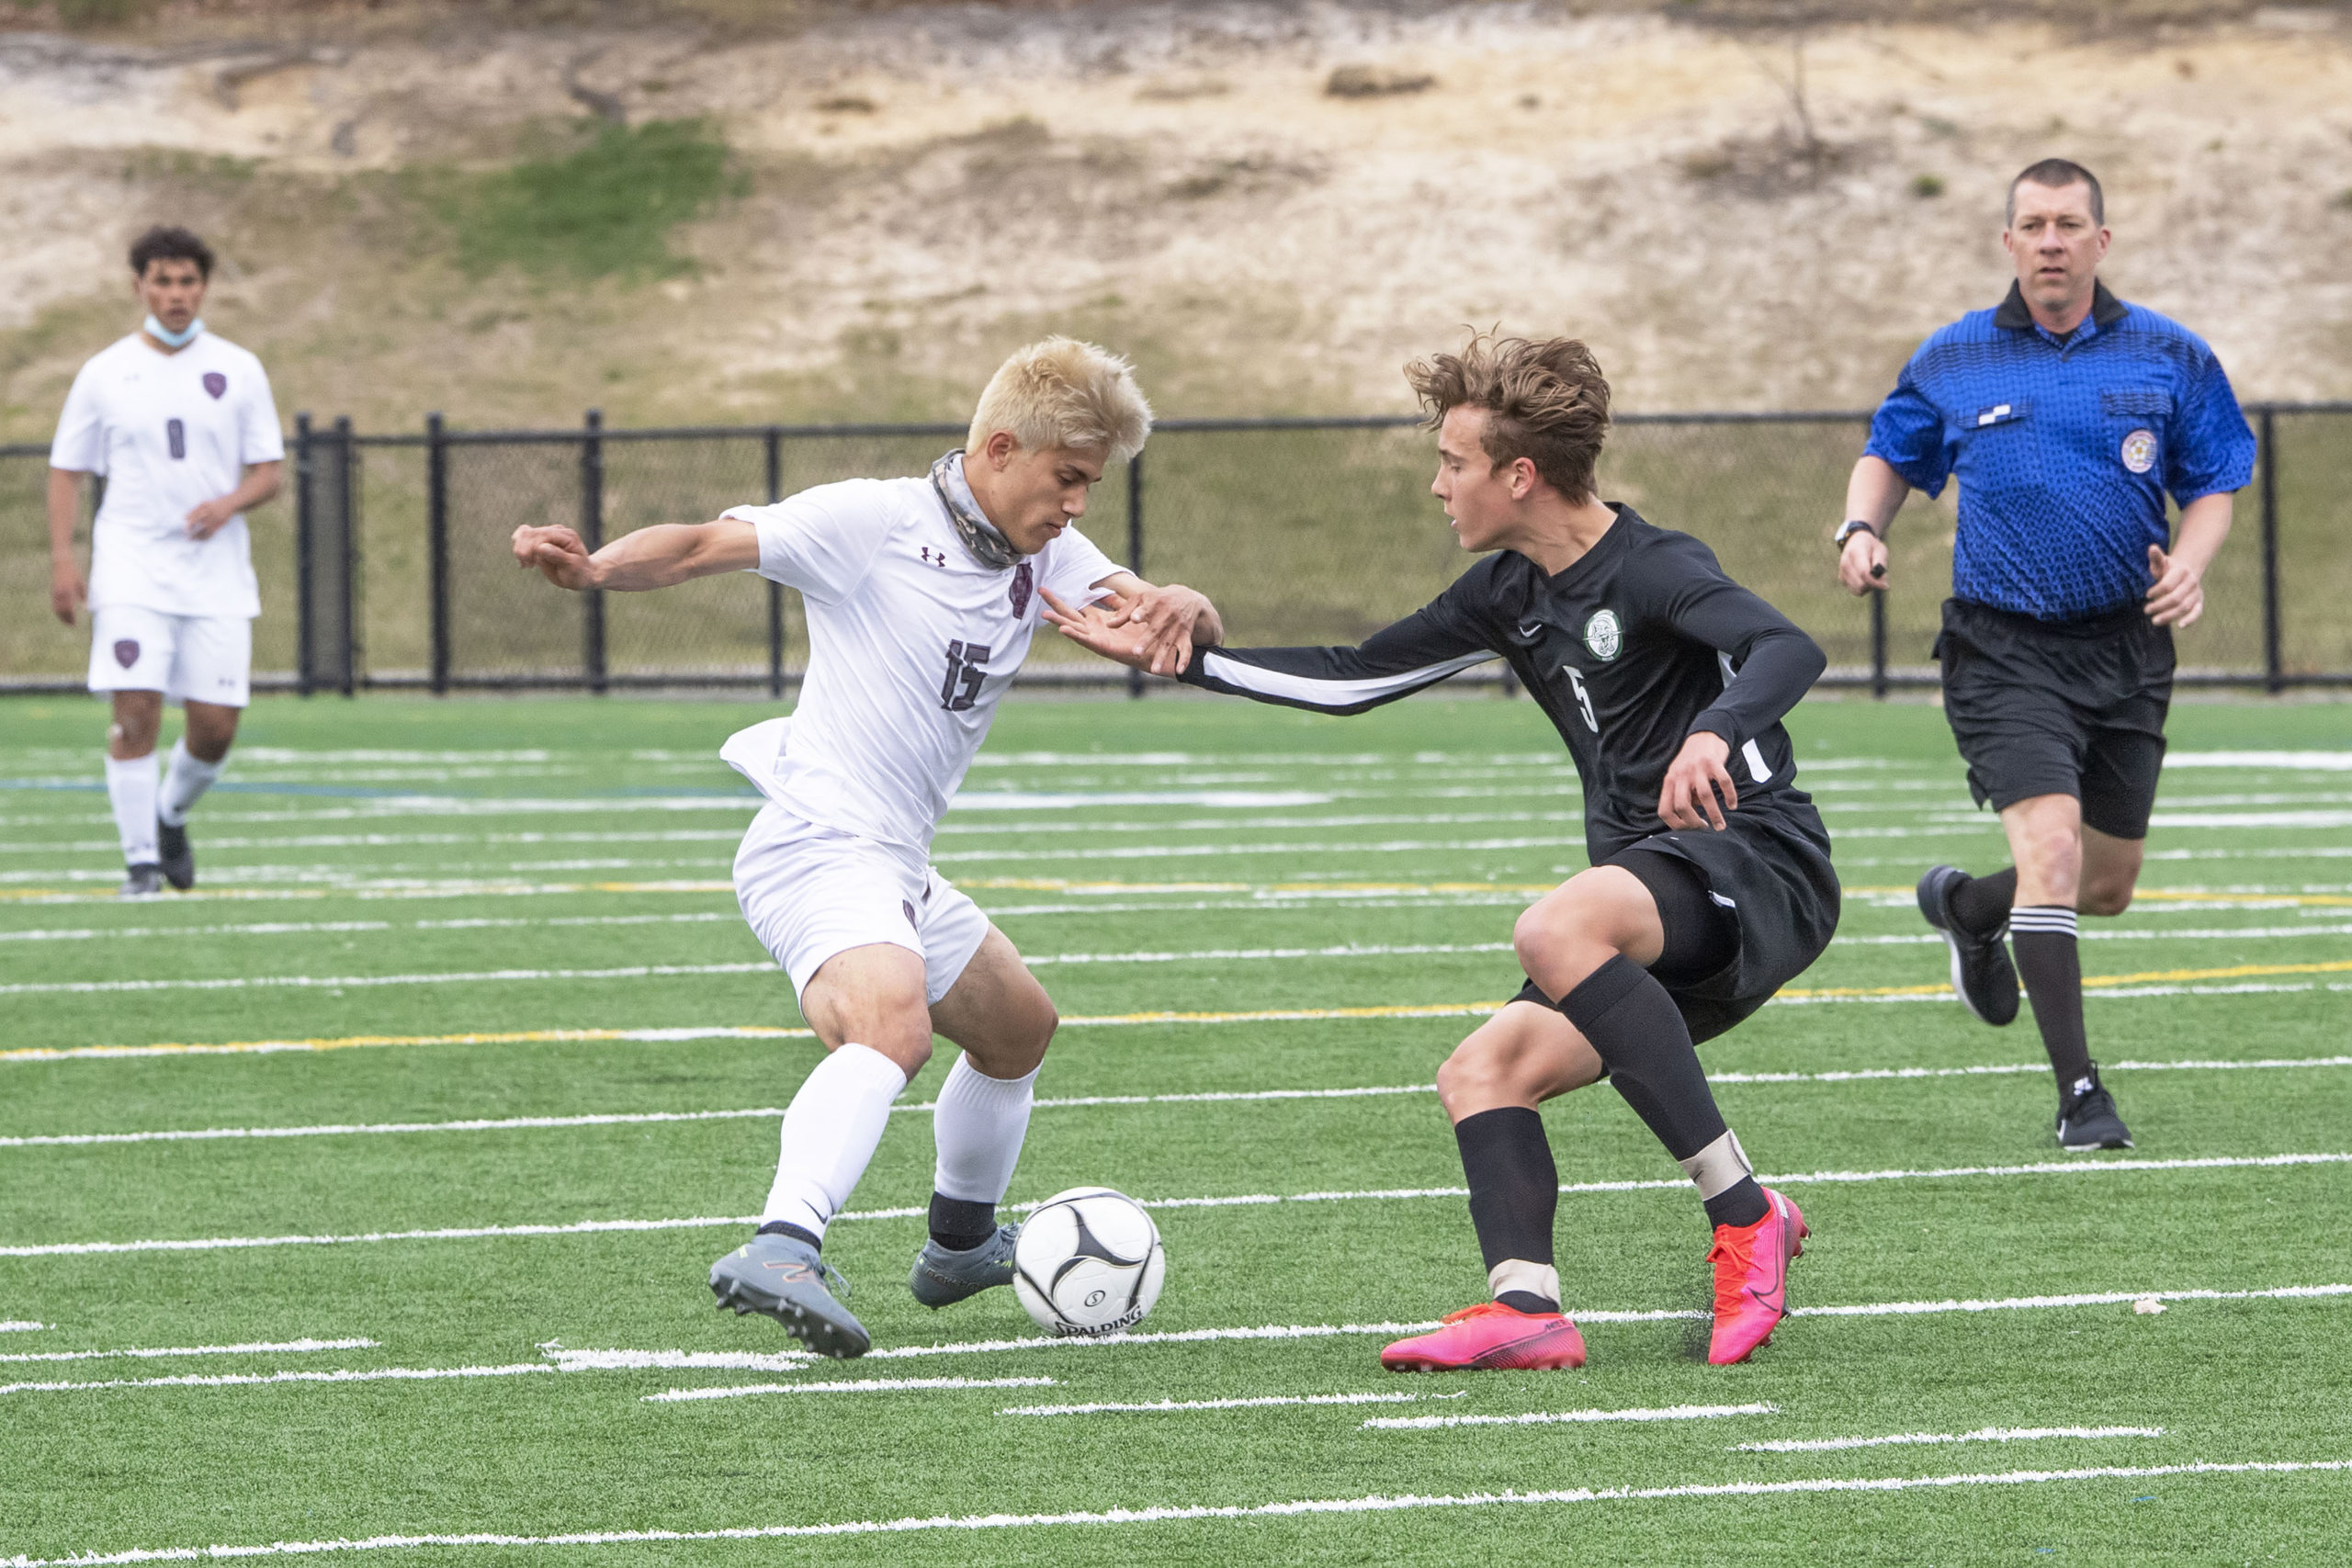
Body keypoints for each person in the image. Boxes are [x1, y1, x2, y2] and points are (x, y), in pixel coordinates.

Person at [1047, 333, 1839, 1370]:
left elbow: (1790, 645)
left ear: (1519, 475)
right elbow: (1349, 677)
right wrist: (1186, 654)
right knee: (1482, 1071)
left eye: (1454, 463)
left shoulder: (1654, 566)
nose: (1436, 486)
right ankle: (1526, 1308)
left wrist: (1710, 731)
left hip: (1757, 861)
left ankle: (1745, 1217)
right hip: (1649, 900)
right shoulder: (1505, 594)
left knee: (1557, 924)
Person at [513, 338, 1217, 1359]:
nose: (1075, 506)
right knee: (889, 1030)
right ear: (1001, 447)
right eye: (1066, 479)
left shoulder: (1045, 554)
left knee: (1018, 1028)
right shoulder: (874, 520)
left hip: (893, 861)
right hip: (817, 841)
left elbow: (1152, 611)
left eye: (1089, 488)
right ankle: (783, 1241)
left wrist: (1188, 607)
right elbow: (706, 545)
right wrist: (593, 570)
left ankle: (960, 1248)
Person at [1836, 159, 2257, 1151]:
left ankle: (1969, 910)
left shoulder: (2168, 354)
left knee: (2101, 884)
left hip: (2127, 649)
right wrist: (1858, 528)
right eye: (2033, 224)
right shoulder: (1955, 357)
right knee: (2053, 852)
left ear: (2100, 241)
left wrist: (2190, 566)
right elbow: (1889, 454)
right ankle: (2080, 1096)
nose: (2052, 241)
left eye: (2069, 223)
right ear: (2009, 242)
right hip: (2000, 647)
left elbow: (2214, 480)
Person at [47, 225, 285, 897]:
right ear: (139, 287)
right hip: (131, 567)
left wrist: (229, 502)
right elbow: (66, 470)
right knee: (137, 710)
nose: (175, 294)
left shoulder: (238, 368)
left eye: (187, 282)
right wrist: (66, 561)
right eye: (162, 281)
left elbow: (270, 470)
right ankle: (140, 865)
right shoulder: (105, 372)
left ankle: (170, 813)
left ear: (203, 287)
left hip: (215, 573)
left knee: (215, 729)